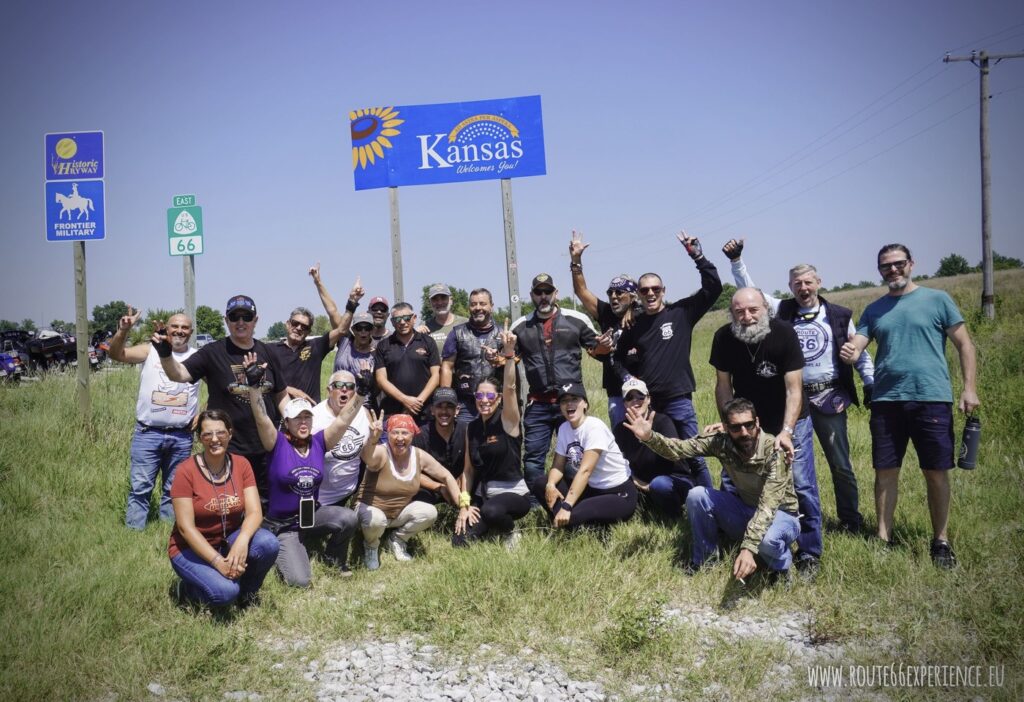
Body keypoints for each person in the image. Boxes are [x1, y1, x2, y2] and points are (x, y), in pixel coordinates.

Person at [840, 244, 979, 568]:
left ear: (911, 264)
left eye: (898, 264)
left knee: (935, 472)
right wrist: (852, 352)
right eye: (886, 266)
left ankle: (941, 541)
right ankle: (883, 539)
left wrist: (969, 388)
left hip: (932, 398)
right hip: (887, 401)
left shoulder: (937, 299)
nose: (893, 270)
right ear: (880, 271)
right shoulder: (874, 310)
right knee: (885, 471)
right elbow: (858, 344)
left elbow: (964, 344)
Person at [723, 238, 875, 533]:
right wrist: (737, 262)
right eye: (796, 284)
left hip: (829, 396)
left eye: (808, 282)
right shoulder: (783, 310)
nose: (803, 288)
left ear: (818, 282)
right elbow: (752, 294)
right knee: (794, 469)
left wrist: (870, 383)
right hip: (791, 400)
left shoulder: (839, 316)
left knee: (840, 464)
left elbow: (859, 351)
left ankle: (850, 519)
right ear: (790, 287)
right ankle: (788, 519)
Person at [710, 287, 822, 579]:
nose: (746, 317)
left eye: (753, 310)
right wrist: (729, 424)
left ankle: (809, 551)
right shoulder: (724, 337)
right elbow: (723, 386)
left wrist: (786, 430)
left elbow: (794, 388)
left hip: (789, 419)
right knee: (733, 479)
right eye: (739, 311)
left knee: (801, 483)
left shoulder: (784, 333)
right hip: (748, 424)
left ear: (765, 309)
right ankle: (746, 543)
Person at [624, 398, 800, 584]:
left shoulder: (774, 450)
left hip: (781, 515)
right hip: (747, 508)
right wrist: (649, 437)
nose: (744, 433)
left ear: (757, 422)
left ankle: (780, 568)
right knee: (697, 495)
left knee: (767, 540)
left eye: (749, 425)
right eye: (735, 427)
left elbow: (768, 506)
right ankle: (705, 561)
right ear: (725, 427)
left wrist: (748, 548)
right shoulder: (721, 442)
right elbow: (679, 449)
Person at [246, 356, 368, 587]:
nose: (303, 422)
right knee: (300, 581)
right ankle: (277, 547)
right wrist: (254, 389)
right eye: (297, 418)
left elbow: (343, 420)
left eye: (307, 417)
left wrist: (360, 394)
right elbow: (261, 419)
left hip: (309, 516)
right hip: (283, 524)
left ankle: (333, 557)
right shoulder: (277, 443)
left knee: (349, 518)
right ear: (287, 422)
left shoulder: (320, 442)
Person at [613, 232, 722, 489]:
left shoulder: (682, 312)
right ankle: (668, 497)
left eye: (656, 289)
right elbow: (616, 359)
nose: (650, 293)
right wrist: (629, 378)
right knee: (657, 452)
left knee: (692, 454)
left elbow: (713, 288)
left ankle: (708, 502)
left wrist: (697, 255)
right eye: (645, 290)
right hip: (648, 404)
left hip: (678, 399)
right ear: (638, 294)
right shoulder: (634, 325)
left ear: (664, 291)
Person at [156, 295, 287, 496]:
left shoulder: (269, 353)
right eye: (234, 317)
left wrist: (291, 431)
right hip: (228, 448)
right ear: (226, 321)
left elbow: (281, 396)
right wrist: (165, 354)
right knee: (229, 504)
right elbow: (179, 374)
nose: (241, 322)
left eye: (246, 316)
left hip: (266, 447)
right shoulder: (213, 352)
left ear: (256, 320)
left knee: (265, 506)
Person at [168, 409, 280, 607]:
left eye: (220, 432)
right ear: (200, 438)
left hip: (228, 540)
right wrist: (218, 562)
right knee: (225, 593)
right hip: (189, 549)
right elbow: (186, 528)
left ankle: (247, 594)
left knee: (268, 543)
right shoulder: (185, 471)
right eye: (207, 434)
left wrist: (242, 541)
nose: (214, 439)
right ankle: (187, 590)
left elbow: (255, 512)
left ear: (230, 433)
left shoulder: (241, 464)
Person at [108, 306, 200, 530]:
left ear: (191, 331)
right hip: (148, 433)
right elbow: (116, 354)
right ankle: (134, 532)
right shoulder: (150, 351)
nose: (179, 331)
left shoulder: (197, 356)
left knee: (174, 488)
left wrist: (204, 413)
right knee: (140, 486)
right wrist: (123, 331)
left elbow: (216, 386)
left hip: (181, 435)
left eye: (184, 327)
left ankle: (166, 533)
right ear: (167, 329)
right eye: (175, 326)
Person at [511, 273, 604, 488]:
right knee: (533, 460)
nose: (543, 296)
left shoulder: (576, 319)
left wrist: (605, 345)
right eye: (538, 292)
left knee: (574, 456)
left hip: (570, 402)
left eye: (548, 291)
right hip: (538, 404)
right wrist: (496, 355)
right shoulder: (520, 326)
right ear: (531, 295)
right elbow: (505, 358)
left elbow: (598, 350)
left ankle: (574, 501)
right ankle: (536, 505)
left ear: (556, 293)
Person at [455, 322, 531, 545]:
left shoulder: (508, 420)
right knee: (461, 541)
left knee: (492, 511)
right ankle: (489, 523)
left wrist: (508, 354)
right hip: (484, 496)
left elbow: (510, 388)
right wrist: (465, 505)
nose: (484, 401)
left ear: (498, 399)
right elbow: (468, 472)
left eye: (490, 397)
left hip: (515, 495)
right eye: (480, 397)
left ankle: (511, 532)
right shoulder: (472, 427)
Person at [354, 413, 462, 570]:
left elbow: (446, 475)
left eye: (404, 432)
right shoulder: (382, 452)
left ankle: (397, 539)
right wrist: (372, 439)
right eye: (394, 432)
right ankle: (371, 545)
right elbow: (368, 457)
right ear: (388, 434)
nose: (399, 438)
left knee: (429, 512)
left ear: (413, 434)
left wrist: (463, 506)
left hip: (397, 513)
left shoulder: (418, 455)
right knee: (375, 520)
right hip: (369, 511)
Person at [535, 383, 638, 529]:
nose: (569, 404)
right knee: (541, 484)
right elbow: (558, 465)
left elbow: (585, 471)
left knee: (572, 514)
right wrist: (550, 485)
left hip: (618, 493)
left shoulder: (594, 427)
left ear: (585, 404)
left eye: (574, 399)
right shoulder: (564, 428)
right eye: (564, 401)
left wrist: (566, 506)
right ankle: (569, 524)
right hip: (592, 489)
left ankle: (576, 525)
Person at [569, 230, 640, 426]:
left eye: (620, 292)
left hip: (643, 391)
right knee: (621, 443)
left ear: (633, 296)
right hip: (616, 392)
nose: (614, 297)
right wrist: (576, 260)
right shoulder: (606, 312)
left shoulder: (642, 315)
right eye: (610, 293)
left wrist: (636, 308)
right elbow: (580, 291)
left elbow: (656, 303)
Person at [267, 265, 362, 404]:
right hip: (280, 416)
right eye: (295, 323)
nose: (299, 328)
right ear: (287, 324)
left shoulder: (315, 347)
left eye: (304, 326)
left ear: (309, 332)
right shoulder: (270, 350)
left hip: (310, 416)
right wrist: (290, 390)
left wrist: (352, 302)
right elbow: (262, 381)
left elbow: (341, 328)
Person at [311, 370, 374, 573]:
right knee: (302, 539)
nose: (344, 390)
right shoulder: (314, 417)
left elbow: (369, 458)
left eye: (350, 387)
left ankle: (334, 556)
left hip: (346, 494)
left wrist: (374, 439)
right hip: (313, 500)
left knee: (349, 518)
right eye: (338, 386)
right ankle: (303, 536)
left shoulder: (364, 414)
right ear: (329, 390)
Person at [612, 378, 697, 519]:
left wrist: (649, 437)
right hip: (640, 484)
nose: (635, 401)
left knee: (659, 484)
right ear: (624, 403)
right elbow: (617, 464)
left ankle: (676, 516)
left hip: (673, 480)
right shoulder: (620, 429)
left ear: (648, 399)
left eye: (640, 396)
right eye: (629, 397)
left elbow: (675, 454)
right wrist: (638, 483)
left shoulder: (663, 421)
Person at [440, 288, 504, 422]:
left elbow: (511, 363)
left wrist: (498, 359)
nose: (478, 308)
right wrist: (445, 398)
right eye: (473, 304)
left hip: (495, 402)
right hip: (465, 403)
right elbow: (447, 366)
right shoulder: (457, 333)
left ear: (491, 306)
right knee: (465, 441)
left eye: (482, 303)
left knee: (494, 442)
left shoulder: (503, 333)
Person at [374, 302, 440, 424]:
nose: (402, 322)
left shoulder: (428, 342)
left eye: (406, 318)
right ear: (392, 322)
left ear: (414, 318)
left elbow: (436, 376)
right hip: (393, 412)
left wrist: (417, 402)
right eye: (397, 319)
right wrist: (405, 400)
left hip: (424, 411)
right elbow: (381, 379)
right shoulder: (383, 346)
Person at [412, 387, 467, 505]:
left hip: (463, 485)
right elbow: (412, 471)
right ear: (432, 410)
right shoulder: (420, 435)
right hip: (433, 488)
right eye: (439, 406)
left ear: (457, 410)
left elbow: (474, 466)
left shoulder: (467, 431)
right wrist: (439, 487)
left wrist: (462, 479)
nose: (444, 411)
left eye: (449, 406)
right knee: (420, 502)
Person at [333, 311, 379, 409]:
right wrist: (351, 303)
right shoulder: (344, 341)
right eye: (359, 328)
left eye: (367, 328)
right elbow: (333, 313)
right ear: (353, 329)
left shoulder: (377, 353)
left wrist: (369, 382)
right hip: (337, 403)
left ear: (372, 330)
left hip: (362, 406)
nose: (363, 331)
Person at [420, 283, 468, 356]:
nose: (439, 302)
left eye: (443, 298)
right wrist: (414, 335)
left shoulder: (465, 323)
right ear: (430, 303)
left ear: (451, 300)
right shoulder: (424, 326)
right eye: (435, 299)